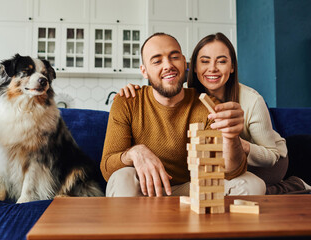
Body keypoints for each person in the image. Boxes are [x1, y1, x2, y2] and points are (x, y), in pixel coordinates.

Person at [118, 32, 311, 194]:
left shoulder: (252, 100)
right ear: (193, 66)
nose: (212, 68)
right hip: (225, 161)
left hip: (267, 162)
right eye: (205, 61)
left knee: (253, 186)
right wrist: (138, 88)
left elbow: (271, 156)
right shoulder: (190, 93)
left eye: (221, 61)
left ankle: (292, 186)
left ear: (232, 66)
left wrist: (238, 143)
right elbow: (161, 86)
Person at [101, 32, 266, 197]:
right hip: (147, 189)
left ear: (184, 62)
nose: (168, 65)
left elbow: (230, 172)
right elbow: (108, 169)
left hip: (192, 190)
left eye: (174, 57)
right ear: (144, 71)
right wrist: (135, 153)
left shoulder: (208, 105)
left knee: (252, 184)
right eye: (157, 61)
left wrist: (231, 137)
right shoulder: (127, 101)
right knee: (122, 177)